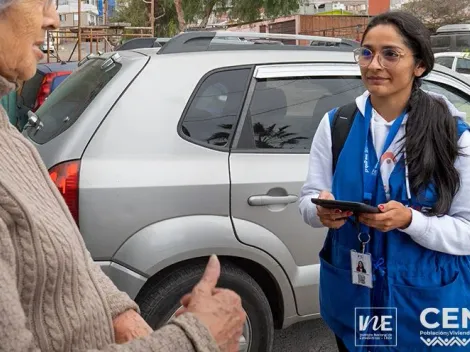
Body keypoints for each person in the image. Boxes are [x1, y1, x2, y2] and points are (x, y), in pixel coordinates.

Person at [0, 0, 245, 351]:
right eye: (41, 1)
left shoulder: (9, 138)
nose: (52, 19)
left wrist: (119, 315)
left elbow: (64, 259)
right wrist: (194, 340)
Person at [299, 10, 470, 352]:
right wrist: (319, 212)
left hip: (425, 308)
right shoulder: (337, 124)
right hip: (353, 298)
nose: (374, 64)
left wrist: (411, 221)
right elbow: (307, 199)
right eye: (366, 52)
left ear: (419, 65)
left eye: (390, 54)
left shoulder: (452, 134)